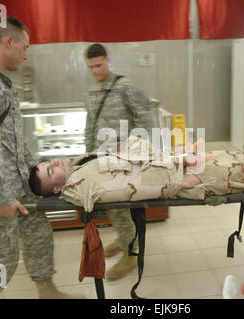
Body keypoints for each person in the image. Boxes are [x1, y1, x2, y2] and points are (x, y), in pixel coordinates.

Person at [0, 16, 83, 299]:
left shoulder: (0, 81)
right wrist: (0, 195)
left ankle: (47, 292)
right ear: (8, 41)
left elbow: (10, 136)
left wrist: (31, 163)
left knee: (37, 234)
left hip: (18, 182)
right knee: (1, 261)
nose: (26, 54)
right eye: (25, 47)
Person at [29, 133, 244, 214]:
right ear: (57, 189)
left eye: (48, 163)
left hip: (179, 162)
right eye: (49, 172)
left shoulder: (83, 162)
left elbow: (135, 160)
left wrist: (179, 155)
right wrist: (179, 182)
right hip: (188, 176)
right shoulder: (81, 186)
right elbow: (127, 190)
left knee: (241, 157)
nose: (53, 165)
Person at [82, 43, 158, 280]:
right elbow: (90, 125)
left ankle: (131, 253)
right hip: (102, 158)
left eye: (99, 65)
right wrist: (87, 155)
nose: (95, 70)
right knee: (111, 206)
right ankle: (124, 238)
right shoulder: (92, 92)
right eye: (91, 67)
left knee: (121, 205)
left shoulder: (125, 87)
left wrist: (132, 149)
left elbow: (146, 119)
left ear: (107, 61)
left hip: (124, 160)